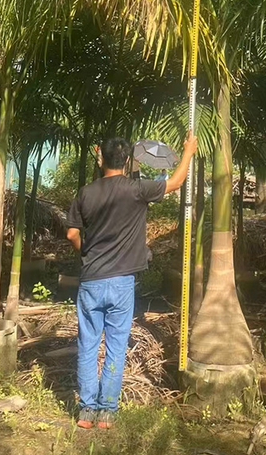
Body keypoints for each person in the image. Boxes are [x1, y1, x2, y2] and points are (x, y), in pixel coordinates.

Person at [66, 132, 197, 429]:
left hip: (91, 281)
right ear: (127, 161)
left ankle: (86, 411)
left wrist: (86, 253)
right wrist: (188, 150)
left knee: (88, 345)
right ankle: (107, 412)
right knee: (115, 346)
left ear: (101, 158)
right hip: (122, 282)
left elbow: (72, 233)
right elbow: (175, 183)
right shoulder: (137, 190)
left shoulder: (86, 193)